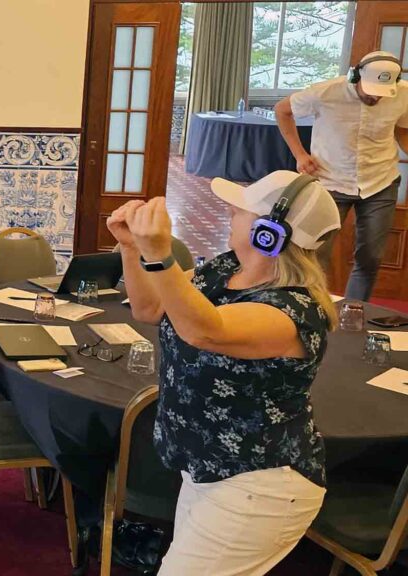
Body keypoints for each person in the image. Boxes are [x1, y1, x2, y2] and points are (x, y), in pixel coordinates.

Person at [106, 170, 342, 575]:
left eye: (241, 211)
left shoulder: (294, 311)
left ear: (270, 233)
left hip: (258, 486)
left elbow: (203, 330)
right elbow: (151, 309)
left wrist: (160, 254)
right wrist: (132, 249)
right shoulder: (225, 268)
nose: (231, 212)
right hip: (208, 470)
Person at [275, 51, 408, 301]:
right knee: (315, 254)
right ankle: (312, 310)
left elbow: (402, 131)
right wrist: (300, 155)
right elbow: (282, 111)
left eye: (382, 91)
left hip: (381, 181)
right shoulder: (325, 92)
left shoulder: (404, 95)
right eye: (370, 89)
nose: (375, 96)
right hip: (330, 180)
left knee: (371, 257)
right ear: (355, 76)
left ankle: (353, 311)